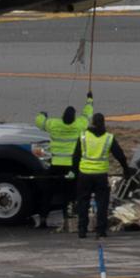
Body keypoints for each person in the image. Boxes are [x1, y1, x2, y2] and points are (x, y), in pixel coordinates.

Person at [35, 91, 95, 227]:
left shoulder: (54, 124)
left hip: (55, 166)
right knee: (70, 194)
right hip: (72, 168)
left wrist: (42, 114)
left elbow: (40, 122)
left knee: (48, 193)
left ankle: (43, 218)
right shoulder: (79, 125)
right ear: (74, 117)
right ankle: (67, 219)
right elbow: (87, 115)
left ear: (62, 116)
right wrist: (89, 100)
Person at [74, 113, 128, 239]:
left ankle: (82, 230)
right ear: (103, 123)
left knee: (83, 202)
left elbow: (76, 156)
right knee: (102, 203)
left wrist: (75, 172)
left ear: (92, 122)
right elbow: (119, 155)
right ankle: (100, 230)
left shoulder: (83, 136)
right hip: (100, 175)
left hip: (84, 174)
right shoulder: (108, 138)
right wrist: (126, 168)